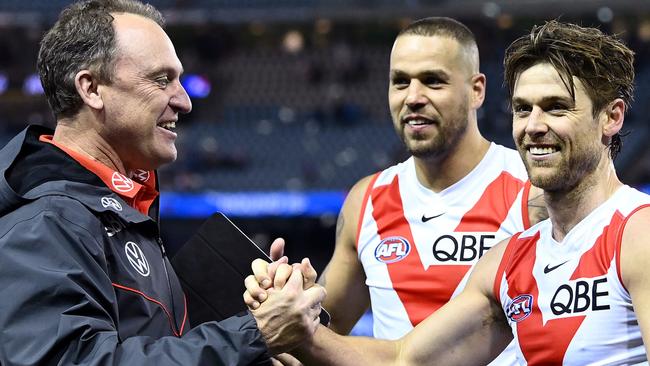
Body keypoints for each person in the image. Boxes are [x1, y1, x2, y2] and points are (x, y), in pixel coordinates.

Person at [247, 20, 650, 364]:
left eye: (557, 107)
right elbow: (407, 358)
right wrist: (296, 323)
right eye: (523, 109)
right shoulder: (509, 260)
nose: (534, 125)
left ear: (611, 117)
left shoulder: (638, 233)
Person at [0, 0, 325, 364]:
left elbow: (147, 342)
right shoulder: (44, 221)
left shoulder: (119, 209)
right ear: (91, 89)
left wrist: (259, 335)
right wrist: (254, 334)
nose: (184, 101)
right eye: (161, 80)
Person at [262, 17, 545, 365]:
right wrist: (290, 302)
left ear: (477, 90)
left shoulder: (534, 191)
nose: (413, 97)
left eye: (432, 81)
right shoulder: (365, 201)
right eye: (400, 82)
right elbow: (317, 342)